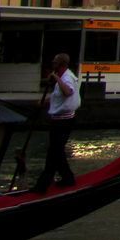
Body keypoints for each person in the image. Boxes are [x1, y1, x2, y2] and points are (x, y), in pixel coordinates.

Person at [32, 52, 81, 193]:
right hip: (58, 120)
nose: (53, 65)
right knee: (56, 151)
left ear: (61, 64)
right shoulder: (64, 77)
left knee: (54, 152)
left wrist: (56, 78)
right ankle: (66, 178)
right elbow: (58, 96)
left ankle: (44, 184)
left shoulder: (67, 78)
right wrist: (44, 102)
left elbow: (67, 92)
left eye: (55, 63)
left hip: (64, 122)